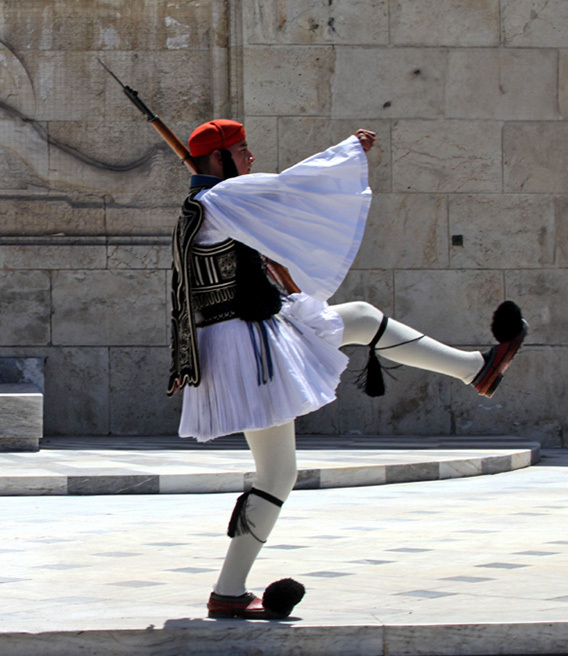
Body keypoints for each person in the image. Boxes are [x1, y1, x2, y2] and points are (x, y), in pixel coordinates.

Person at [166, 119, 527, 620]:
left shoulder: (209, 205)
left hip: (249, 339)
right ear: (218, 160)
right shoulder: (225, 201)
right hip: (249, 350)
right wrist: (348, 152)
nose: (250, 158)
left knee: (357, 320)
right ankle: (227, 591)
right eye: (242, 151)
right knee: (277, 472)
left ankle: (475, 369)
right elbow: (289, 188)